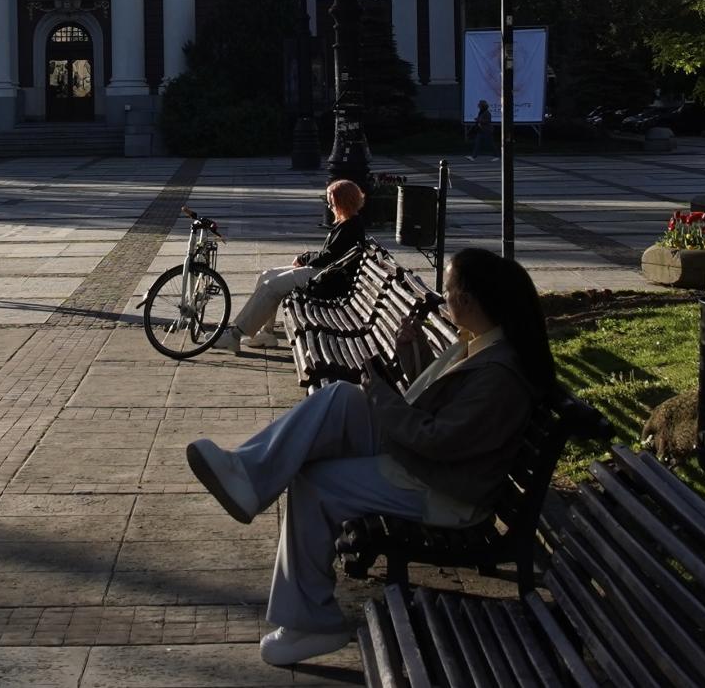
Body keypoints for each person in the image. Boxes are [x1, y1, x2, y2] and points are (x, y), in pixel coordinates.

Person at [184, 248, 554, 667]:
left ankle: (313, 623)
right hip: (429, 467)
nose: (443, 296)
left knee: (315, 482)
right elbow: (440, 411)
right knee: (341, 398)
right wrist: (410, 355)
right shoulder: (480, 345)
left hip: (444, 491)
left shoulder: (498, 373)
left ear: (468, 299)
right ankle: (247, 474)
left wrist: (379, 393)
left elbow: (438, 440)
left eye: (447, 289)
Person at [215, 179, 370, 355]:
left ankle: (235, 336)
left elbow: (327, 257)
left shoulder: (350, 226)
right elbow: (330, 255)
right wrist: (306, 258)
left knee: (271, 286)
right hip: (326, 272)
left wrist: (304, 258)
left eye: (331, 202)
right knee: (266, 276)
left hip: (326, 279)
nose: (329, 206)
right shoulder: (348, 222)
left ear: (342, 202)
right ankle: (266, 334)